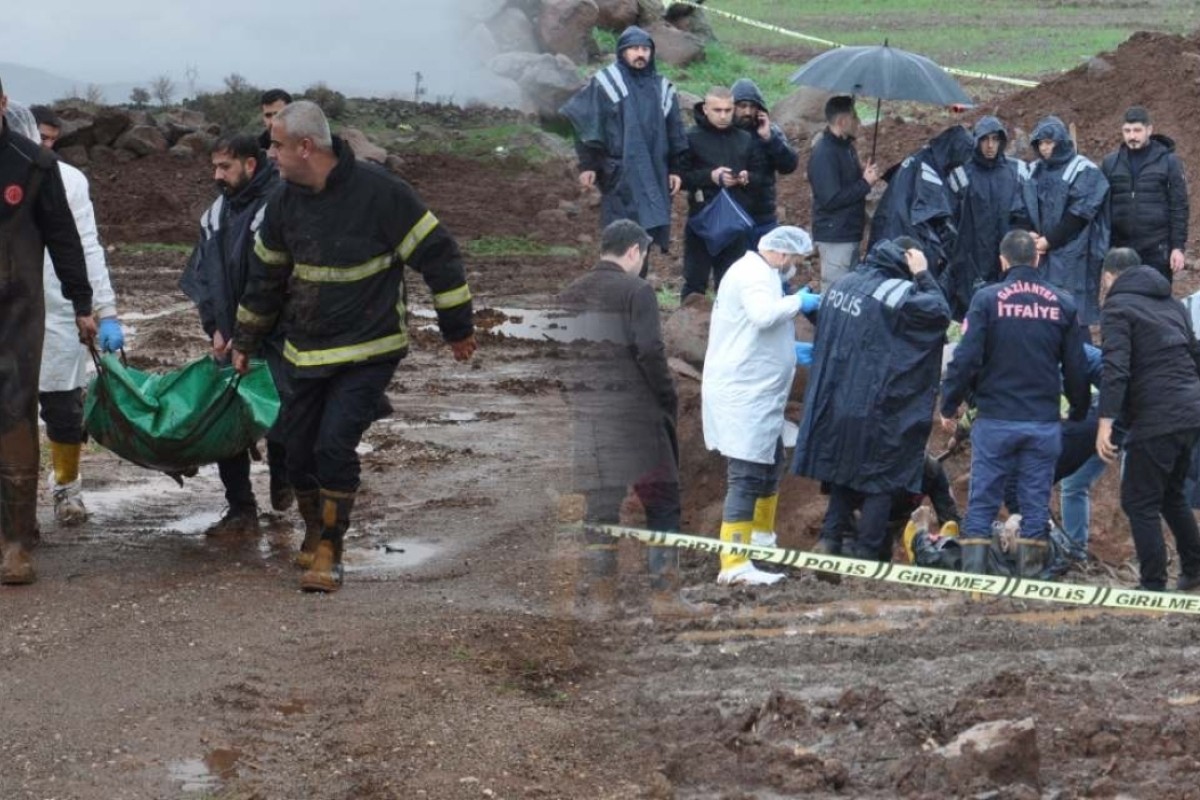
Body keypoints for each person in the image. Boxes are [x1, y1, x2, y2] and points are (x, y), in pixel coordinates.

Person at [231, 101, 476, 593]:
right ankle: (313, 528)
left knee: (333, 444)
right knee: (296, 449)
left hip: (369, 347)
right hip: (305, 349)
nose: (270, 155)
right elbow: (264, 278)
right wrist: (245, 341)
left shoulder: (382, 194)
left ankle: (331, 549)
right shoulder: (281, 203)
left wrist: (457, 327)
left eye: (277, 145)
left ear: (306, 147)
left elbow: (440, 255)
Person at [560, 219, 703, 617]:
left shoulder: (569, 295)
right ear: (635, 251)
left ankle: (602, 600)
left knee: (601, 511)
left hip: (591, 419)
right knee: (662, 504)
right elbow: (650, 351)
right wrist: (666, 397)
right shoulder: (636, 290)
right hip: (638, 420)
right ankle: (666, 597)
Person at [941, 230, 1090, 577]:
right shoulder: (1063, 303)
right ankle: (1031, 586)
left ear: (1002, 260)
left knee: (982, 503)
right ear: (1037, 259)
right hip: (1042, 421)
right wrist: (1079, 412)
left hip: (996, 419)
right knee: (1035, 506)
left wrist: (949, 403)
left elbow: (966, 358)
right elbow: (1077, 367)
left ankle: (974, 586)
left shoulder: (987, 300)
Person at [793, 237, 951, 562]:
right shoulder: (894, 291)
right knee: (882, 478)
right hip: (876, 404)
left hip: (835, 400)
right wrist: (922, 275)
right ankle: (867, 554)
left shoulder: (844, 284)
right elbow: (939, 312)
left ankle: (829, 539)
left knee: (842, 473)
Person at [0, 80, 96, 585]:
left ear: (2, 106)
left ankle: (17, 541)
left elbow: (64, 238)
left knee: (14, 412)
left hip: (16, 313)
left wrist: (85, 303)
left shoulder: (33, 165)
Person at [17, 102, 124, 526]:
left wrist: (105, 309)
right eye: (37, 138)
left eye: (48, 140)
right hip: (11, 313)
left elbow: (86, 246)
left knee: (63, 409)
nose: (43, 146)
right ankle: (15, 503)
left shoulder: (69, 182)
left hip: (60, 311)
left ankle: (66, 488)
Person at [180, 134, 289, 536]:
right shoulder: (215, 215)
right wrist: (215, 327)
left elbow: (281, 278)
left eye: (225, 167)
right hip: (228, 336)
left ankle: (284, 473)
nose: (217, 175)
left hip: (278, 334)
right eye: (215, 167)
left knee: (280, 413)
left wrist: (257, 328)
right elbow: (204, 277)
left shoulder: (278, 206)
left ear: (250, 165)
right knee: (228, 419)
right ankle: (241, 506)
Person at [703, 226, 817, 585]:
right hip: (743, 395)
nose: (795, 268)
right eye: (796, 261)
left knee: (771, 465)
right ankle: (734, 563)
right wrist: (800, 302)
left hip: (760, 394)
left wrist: (792, 350)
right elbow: (763, 315)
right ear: (782, 255)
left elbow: (763, 327)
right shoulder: (753, 275)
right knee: (747, 474)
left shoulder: (760, 274)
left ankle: (760, 541)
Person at [1096, 248, 1200, 592]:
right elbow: (1194, 352)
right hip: (1191, 409)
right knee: (1171, 493)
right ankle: (1194, 568)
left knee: (1138, 500)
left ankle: (1153, 583)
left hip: (1159, 414)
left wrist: (1106, 420)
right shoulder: (1172, 304)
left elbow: (1116, 368)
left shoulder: (1117, 307)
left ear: (1111, 276)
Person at [559, 26, 688, 264]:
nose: (640, 54)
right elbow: (585, 123)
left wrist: (676, 169)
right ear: (622, 52)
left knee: (644, 239)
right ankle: (615, 291)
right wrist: (588, 165)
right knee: (618, 238)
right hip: (619, 173)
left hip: (654, 172)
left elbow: (675, 132)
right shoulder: (606, 82)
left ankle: (635, 289)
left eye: (645, 49)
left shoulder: (662, 88)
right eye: (634, 49)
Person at [1021, 115, 1110, 325]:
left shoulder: (1082, 169)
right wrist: (1029, 233)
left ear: (1060, 142)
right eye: (1040, 143)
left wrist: (1048, 240)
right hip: (1040, 252)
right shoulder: (1034, 170)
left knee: (1071, 313)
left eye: (1049, 142)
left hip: (1073, 253)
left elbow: (1079, 215)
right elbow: (1023, 205)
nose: (1044, 148)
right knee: (1041, 311)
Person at [680, 86, 764, 300]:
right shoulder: (691, 137)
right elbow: (679, 178)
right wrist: (711, 176)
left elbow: (760, 176)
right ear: (705, 109)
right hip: (702, 219)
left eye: (728, 110)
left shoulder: (745, 138)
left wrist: (746, 177)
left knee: (730, 285)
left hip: (735, 221)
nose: (724, 115)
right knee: (694, 282)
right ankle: (687, 328)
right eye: (717, 110)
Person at [944, 116, 1027, 320]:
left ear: (1001, 141)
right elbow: (949, 221)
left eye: (994, 139)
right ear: (976, 141)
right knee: (977, 314)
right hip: (973, 260)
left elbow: (1027, 214)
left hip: (1009, 258)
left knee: (1009, 312)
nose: (990, 145)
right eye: (984, 139)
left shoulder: (1017, 172)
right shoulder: (961, 176)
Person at [868, 125, 975, 277]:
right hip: (904, 233)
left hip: (886, 226)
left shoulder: (920, 158)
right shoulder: (928, 171)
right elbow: (932, 214)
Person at [1101, 106, 1189, 282]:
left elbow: (1179, 206)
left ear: (1149, 129)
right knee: (1123, 302)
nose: (1132, 136)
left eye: (1137, 130)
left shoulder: (1169, 162)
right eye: (1127, 131)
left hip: (1157, 248)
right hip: (1121, 250)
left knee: (1155, 302)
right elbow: (1103, 209)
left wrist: (1177, 247)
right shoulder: (1111, 163)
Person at [807, 95, 878, 287]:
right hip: (835, 237)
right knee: (834, 294)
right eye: (855, 116)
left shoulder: (846, 147)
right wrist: (864, 184)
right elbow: (830, 199)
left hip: (848, 232)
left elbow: (845, 184)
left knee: (847, 292)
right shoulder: (824, 153)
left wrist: (862, 174)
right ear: (842, 121)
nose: (859, 121)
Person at [731, 78, 799, 242]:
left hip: (763, 218)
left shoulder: (770, 131)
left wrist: (770, 138)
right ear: (732, 107)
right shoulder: (724, 133)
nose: (747, 112)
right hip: (732, 217)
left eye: (752, 106)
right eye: (742, 106)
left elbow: (789, 165)